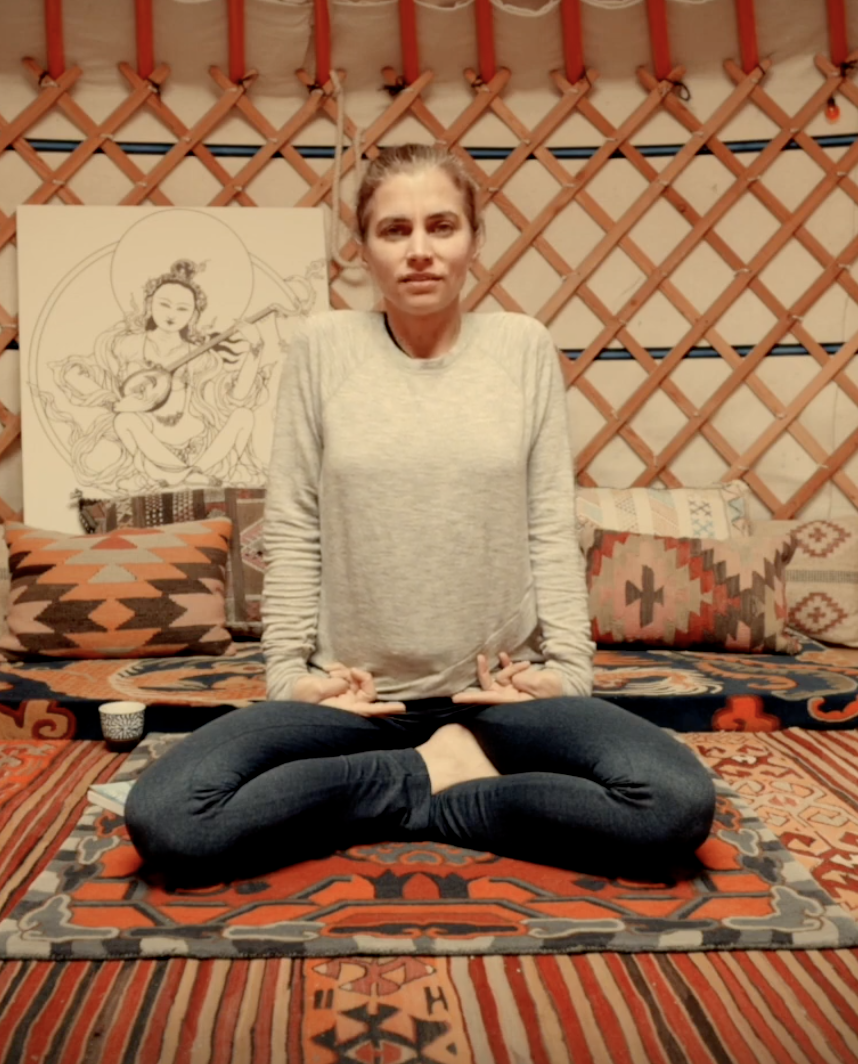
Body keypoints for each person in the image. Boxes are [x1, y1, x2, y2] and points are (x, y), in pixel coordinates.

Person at [125, 144, 715, 885]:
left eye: (442, 226)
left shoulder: (521, 347)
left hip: (500, 693)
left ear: (474, 238)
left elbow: (547, 524)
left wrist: (568, 672)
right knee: (169, 819)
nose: (420, 251)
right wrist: (288, 678)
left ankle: (398, 789)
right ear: (362, 248)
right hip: (351, 697)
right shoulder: (322, 347)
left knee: (674, 804)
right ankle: (436, 775)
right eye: (394, 230)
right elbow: (296, 527)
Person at [49, 259, 267, 493]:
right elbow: (80, 374)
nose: (172, 314)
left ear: (193, 315)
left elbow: (238, 397)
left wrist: (256, 349)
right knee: (124, 420)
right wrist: (115, 403)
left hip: (199, 447)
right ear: (149, 304)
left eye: (182, 309)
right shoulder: (127, 346)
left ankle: (187, 475)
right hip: (152, 450)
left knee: (244, 416)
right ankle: (187, 476)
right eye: (164, 304)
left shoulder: (198, 355)